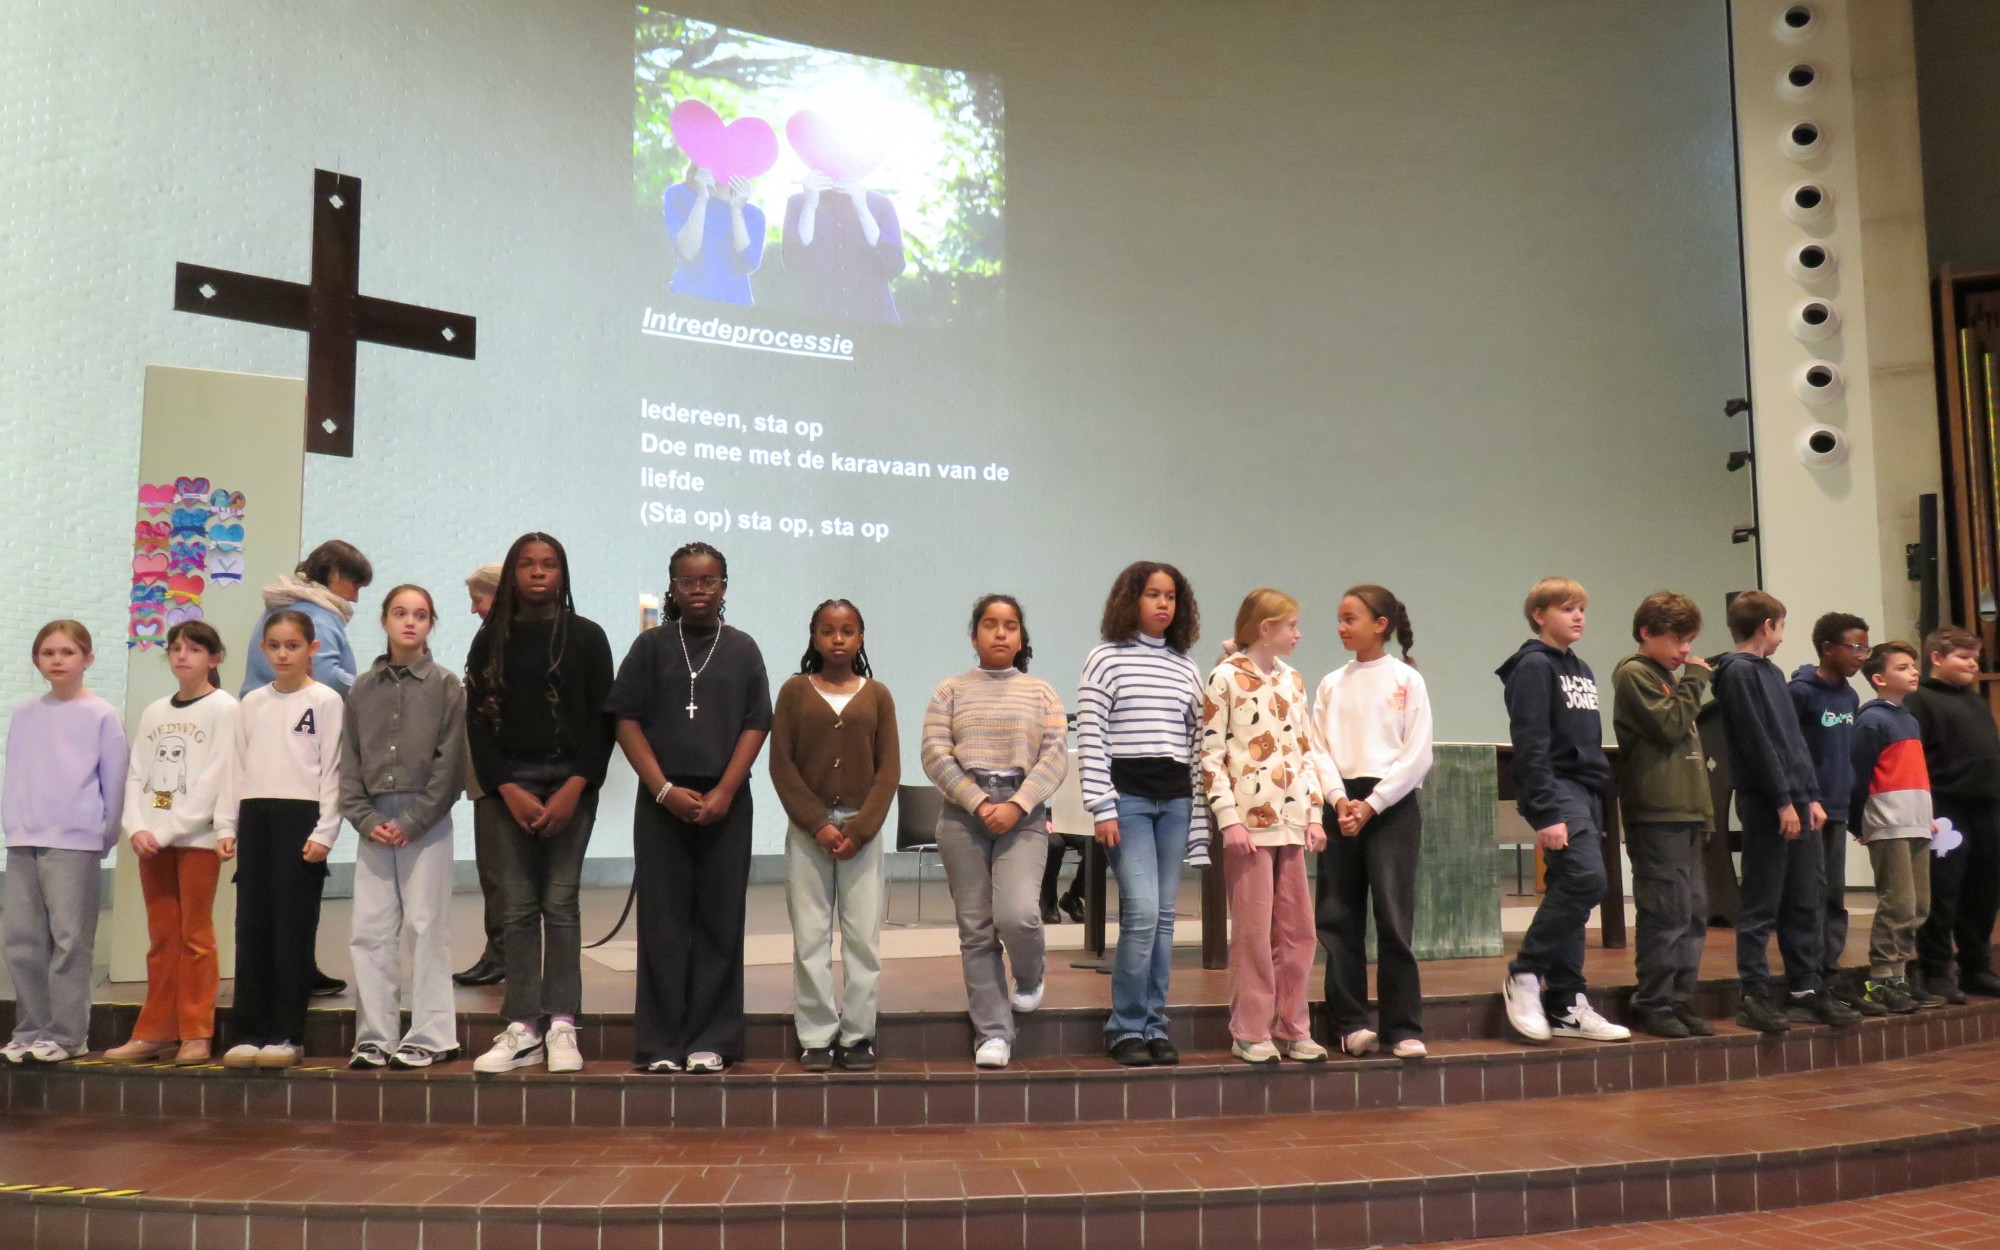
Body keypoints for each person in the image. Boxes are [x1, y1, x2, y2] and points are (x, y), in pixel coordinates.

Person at [609, 542, 771, 1074]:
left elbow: (756, 722)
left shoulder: (743, 648)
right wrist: (661, 790)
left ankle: (713, 1040)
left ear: (724, 586)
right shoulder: (651, 647)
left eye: (710, 581)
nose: (699, 590)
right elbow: (626, 720)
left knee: (720, 922)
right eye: (688, 581)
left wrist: (727, 789)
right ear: (672, 587)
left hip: (727, 802)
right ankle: (660, 1044)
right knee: (663, 922)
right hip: (661, 802)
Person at [465, 534, 615, 1074]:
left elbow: (604, 722)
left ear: (563, 574)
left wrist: (575, 788)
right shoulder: (490, 640)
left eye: (548, 564)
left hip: (572, 787)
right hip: (509, 789)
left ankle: (563, 1025)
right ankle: (523, 1025)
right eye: (526, 565)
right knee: (519, 908)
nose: (537, 573)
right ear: (510, 574)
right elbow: (478, 724)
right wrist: (507, 788)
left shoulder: (588, 636)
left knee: (561, 904)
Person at [921, 594, 1068, 1069]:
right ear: (974, 635)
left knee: (1020, 913)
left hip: (1022, 814)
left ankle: (1029, 977)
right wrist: (979, 801)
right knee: (976, 931)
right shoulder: (950, 691)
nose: (1000, 633)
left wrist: (1018, 803)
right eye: (989, 624)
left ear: (1021, 636)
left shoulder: (1042, 692)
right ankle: (993, 1032)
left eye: (1009, 625)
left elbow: (1054, 756)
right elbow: (935, 753)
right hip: (963, 816)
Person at [1077, 562, 1208, 1067]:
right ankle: (1125, 1027)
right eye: (1152, 594)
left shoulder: (1185, 665)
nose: (1162, 604)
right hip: (1127, 802)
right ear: (1130, 600)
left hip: (1174, 802)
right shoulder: (1104, 659)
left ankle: (1155, 1024)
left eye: (1170, 596)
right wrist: (1101, 806)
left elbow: (1198, 738)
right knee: (1143, 912)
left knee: (1166, 919)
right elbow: (1092, 737)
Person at [1711, 590, 1854, 1033]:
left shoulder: (1772, 673)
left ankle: (1805, 989)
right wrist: (1781, 801)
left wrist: (1809, 795)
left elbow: (1793, 742)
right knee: (1761, 901)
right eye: (1781, 626)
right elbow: (1757, 741)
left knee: (1803, 899)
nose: (1782, 635)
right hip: (1768, 803)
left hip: (1796, 800)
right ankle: (1753, 993)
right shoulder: (1738, 673)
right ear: (1766, 626)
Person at [1497, 578, 1631, 1045]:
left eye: (1581, 609)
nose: (1578, 616)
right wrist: (1545, 811)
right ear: (1539, 615)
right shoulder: (1532, 666)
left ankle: (1567, 1002)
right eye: (1566, 608)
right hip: (1559, 788)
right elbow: (1530, 745)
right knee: (1586, 879)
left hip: (1588, 790)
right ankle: (1525, 974)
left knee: (1571, 894)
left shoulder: (1581, 668)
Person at [339, 586, 466, 1069]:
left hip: (424, 819)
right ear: (385, 620)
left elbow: (450, 764)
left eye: (419, 615)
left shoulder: (445, 686)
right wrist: (365, 818)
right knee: (369, 930)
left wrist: (413, 820)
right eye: (399, 613)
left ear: (431, 622)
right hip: (373, 821)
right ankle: (375, 1034)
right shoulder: (361, 690)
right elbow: (348, 762)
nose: (409, 622)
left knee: (425, 924)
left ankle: (433, 1033)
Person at [769, 599, 899, 1072]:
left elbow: (889, 770)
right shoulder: (794, 692)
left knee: (863, 936)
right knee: (811, 935)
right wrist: (819, 824)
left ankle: (859, 1034)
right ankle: (817, 1033)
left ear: (861, 637)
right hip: (809, 833)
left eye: (847, 631)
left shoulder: (878, 695)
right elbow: (781, 766)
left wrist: (861, 829)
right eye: (827, 630)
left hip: (863, 832)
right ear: (814, 637)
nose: (838, 639)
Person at [1306, 585, 1434, 1060]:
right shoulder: (1330, 683)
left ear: (1381, 625)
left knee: (1394, 918)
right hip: (1341, 805)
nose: (1341, 627)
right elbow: (1316, 747)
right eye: (1338, 619)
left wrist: (1373, 803)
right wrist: (1340, 799)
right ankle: (1350, 1022)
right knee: (1339, 916)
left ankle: (1403, 1026)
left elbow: (1416, 754)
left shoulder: (1406, 680)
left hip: (1391, 807)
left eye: (1350, 619)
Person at [1203, 588, 1329, 1065]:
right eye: (1290, 625)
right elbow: (1212, 757)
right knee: (1254, 932)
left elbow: (1305, 751)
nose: (1298, 634)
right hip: (1249, 832)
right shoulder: (1224, 679)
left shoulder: (1294, 681)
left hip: (1293, 824)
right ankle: (1250, 1029)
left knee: (1299, 933)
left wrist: (1314, 815)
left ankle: (1294, 1025)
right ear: (1265, 628)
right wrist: (1229, 820)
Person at [241, 537, 372, 999]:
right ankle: (292, 974)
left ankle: (292, 969)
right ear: (333, 574)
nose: (356, 595)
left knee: (274, 889)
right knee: (291, 884)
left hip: (275, 761)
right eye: (355, 583)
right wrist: (374, 687)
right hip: (293, 760)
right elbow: (331, 675)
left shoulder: (290, 606)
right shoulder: (315, 614)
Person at [106, 620, 237, 1065]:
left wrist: (164, 830)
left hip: (194, 839)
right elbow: (138, 774)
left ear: (214, 658)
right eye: (176, 648)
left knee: (195, 936)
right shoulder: (155, 711)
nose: (183, 655)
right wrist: (137, 827)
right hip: (151, 842)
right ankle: (155, 1030)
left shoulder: (224, 707)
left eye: (195, 649)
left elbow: (213, 778)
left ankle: (196, 1031)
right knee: (162, 937)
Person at [219, 610, 345, 1070]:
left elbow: (333, 770)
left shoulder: (327, 701)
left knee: (291, 929)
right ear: (263, 650)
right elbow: (234, 768)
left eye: (293, 645)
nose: (283, 653)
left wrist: (325, 830)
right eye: (275, 645)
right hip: (256, 816)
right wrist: (226, 826)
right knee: (251, 927)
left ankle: (287, 1033)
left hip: (301, 819)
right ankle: (249, 1031)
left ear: (311, 649)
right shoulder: (251, 703)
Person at [2, 621, 125, 1065]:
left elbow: (114, 784)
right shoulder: (25, 712)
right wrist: (13, 823)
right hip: (23, 839)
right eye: (48, 653)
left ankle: (70, 1035)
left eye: (67, 652)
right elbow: (16, 771)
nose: (57, 660)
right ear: (37, 660)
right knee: (22, 940)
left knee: (70, 941)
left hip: (75, 842)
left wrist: (101, 835)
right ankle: (30, 1028)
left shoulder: (102, 715)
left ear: (87, 659)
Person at [1610, 592, 1715, 1040]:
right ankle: (1652, 1002)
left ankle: (1679, 999)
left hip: (1687, 812)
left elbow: (1690, 748)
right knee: (1666, 913)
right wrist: (1693, 681)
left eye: (1689, 641)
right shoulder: (1634, 674)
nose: (1685, 651)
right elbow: (1670, 726)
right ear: (1647, 633)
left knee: (1694, 913)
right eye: (1677, 639)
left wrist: (1706, 813)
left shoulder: (1672, 679)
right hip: (1656, 814)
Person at [1909, 625, 2000, 1003]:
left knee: (1984, 890)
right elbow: (1915, 760)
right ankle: (1935, 971)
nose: (1973, 663)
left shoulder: (1976, 700)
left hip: (1987, 805)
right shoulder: (1920, 702)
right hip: (1946, 809)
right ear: (1936, 658)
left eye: (1974, 656)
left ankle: (1976, 967)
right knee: (1943, 892)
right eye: (1963, 657)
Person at [1789, 612, 1870, 1016]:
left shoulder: (1850, 697)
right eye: (1854, 646)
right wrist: (1805, 798)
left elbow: (1845, 758)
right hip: (1810, 810)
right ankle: (1805, 985)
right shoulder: (1801, 693)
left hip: (1837, 809)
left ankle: (1828, 975)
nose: (1861, 655)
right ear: (1827, 648)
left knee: (1834, 898)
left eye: (1865, 647)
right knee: (1809, 897)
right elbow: (1792, 751)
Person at [1850, 642, 1935, 1014]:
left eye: (1913, 666)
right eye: (1903, 667)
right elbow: (1858, 775)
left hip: (1915, 821)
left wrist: (1926, 814)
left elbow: (1914, 774)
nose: (1914, 672)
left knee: (1918, 904)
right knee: (1897, 901)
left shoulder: (1909, 719)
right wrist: (1858, 821)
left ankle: (1899, 975)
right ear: (1880, 679)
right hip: (1887, 822)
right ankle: (1882, 979)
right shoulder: (1871, 720)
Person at [455, 562, 508, 988]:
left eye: (479, 599)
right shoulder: (489, 638)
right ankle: (500, 950)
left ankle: (503, 953)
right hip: (487, 772)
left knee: (499, 871)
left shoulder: (501, 640)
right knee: (493, 871)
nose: (474, 610)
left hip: (500, 775)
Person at [241, 539, 373, 696]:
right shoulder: (319, 614)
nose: (355, 598)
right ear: (334, 573)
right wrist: (368, 688)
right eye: (355, 586)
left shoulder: (282, 604)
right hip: (295, 713)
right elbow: (325, 675)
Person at [782, 175, 907, 324]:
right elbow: (792, 264)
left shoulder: (881, 204)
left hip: (875, 322)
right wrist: (809, 206)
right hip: (818, 323)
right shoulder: (798, 202)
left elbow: (895, 267)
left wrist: (862, 209)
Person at [663, 167, 765, 306]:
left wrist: (736, 210)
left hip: (734, 308)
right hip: (686, 301)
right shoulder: (678, 194)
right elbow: (687, 251)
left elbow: (748, 263)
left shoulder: (754, 215)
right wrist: (702, 198)